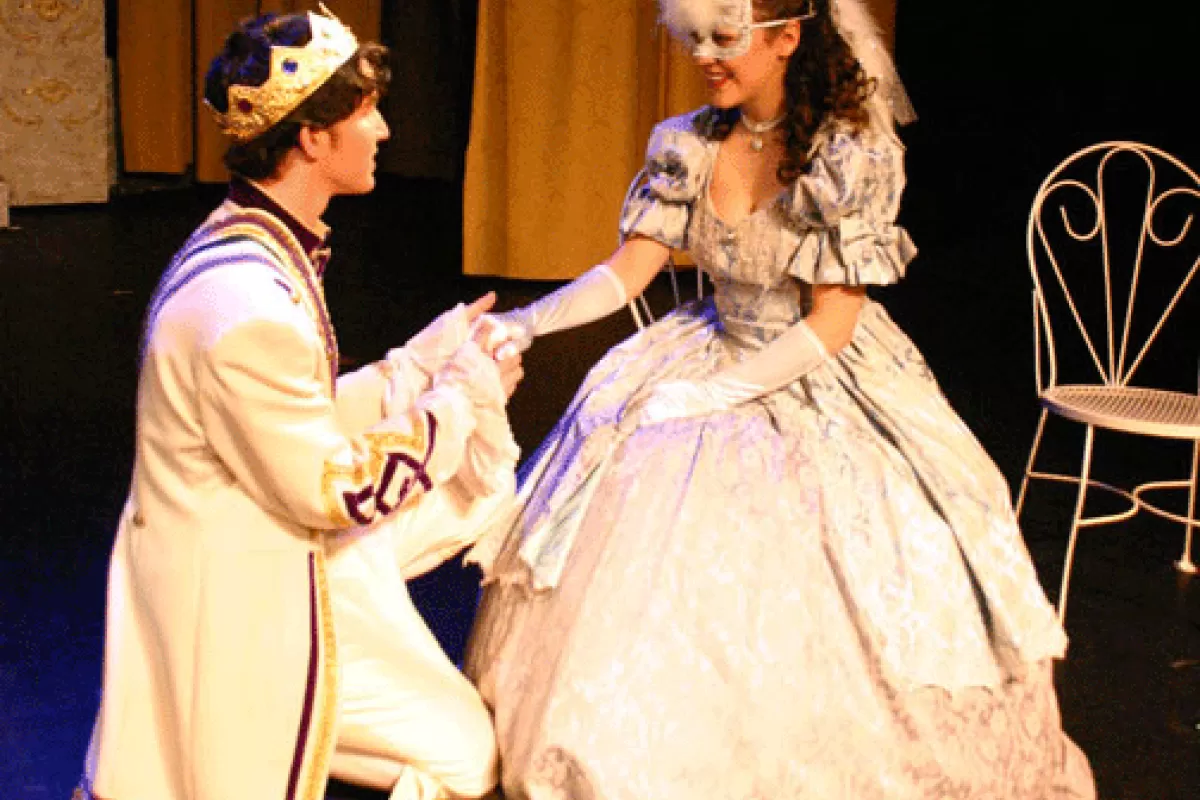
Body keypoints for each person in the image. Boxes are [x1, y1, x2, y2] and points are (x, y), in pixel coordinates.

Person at [463, 0, 1097, 797]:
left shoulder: (843, 156)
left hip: (815, 367)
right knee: (624, 459)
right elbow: (627, 274)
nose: (704, 55)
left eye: (725, 37)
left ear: (787, 37)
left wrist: (714, 394)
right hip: (711, 336)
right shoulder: (689, 144)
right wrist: (528, 320)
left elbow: (832, 322)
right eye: (693, 38)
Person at [80, 8, 519, 800]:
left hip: (255, 538)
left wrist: (411, 367)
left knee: (468, 505)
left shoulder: (250, 242)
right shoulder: (250, 303)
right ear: (314, 138)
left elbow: (287, 417)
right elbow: (337, 489)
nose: (383, 130)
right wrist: (459, 396)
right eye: (365, 114)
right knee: (467, 761)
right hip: (244, 595)